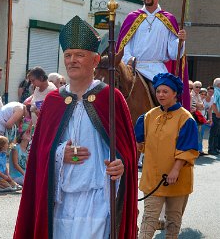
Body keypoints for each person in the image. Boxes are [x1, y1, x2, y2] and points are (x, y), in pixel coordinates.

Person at [14, 15, 138, 239]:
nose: (72, 60)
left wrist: (122, 166)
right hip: (61, 202)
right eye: (68, 55)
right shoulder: (53, 101)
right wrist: (60, 154)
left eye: (80, 55)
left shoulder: (111, 98)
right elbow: (38, 155)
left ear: (95, 60)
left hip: (98, 200)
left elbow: (127, 151)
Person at [135, 73, 199, 238]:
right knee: (148, 219)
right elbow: (139, 144)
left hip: (176, 180)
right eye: (158, 91)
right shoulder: (149, 116)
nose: (160, 95)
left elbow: (187, 148)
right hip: (152, 179)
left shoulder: (186, 119)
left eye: (165, 91)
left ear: (175, 94)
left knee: (173, 222)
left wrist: (175, 170)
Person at [116, 0, 190, 110]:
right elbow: (124, 46)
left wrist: (180, 41)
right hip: (134, 68)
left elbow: (173, 53)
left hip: (157, 69)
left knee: (166, 97)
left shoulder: (168, 19)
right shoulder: (132, 17)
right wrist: (129, 60)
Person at [9, 119, 32, 186]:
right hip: (15, 176)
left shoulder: (26, 150)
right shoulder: (15, 148)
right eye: (26, 133)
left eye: (29, 133)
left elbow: (27, 165)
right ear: (21, 136)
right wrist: (25, 174)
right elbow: (15, 164)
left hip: (23, 175)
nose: (29, 134)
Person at [208, 78, 220, 155]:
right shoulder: (216, 92)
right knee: (214, 132)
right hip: (215, 114)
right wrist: (217, 113)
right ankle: (211, 149)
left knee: (217, 132)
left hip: (216, 114)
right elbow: (214, 104)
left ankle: (215, 148)